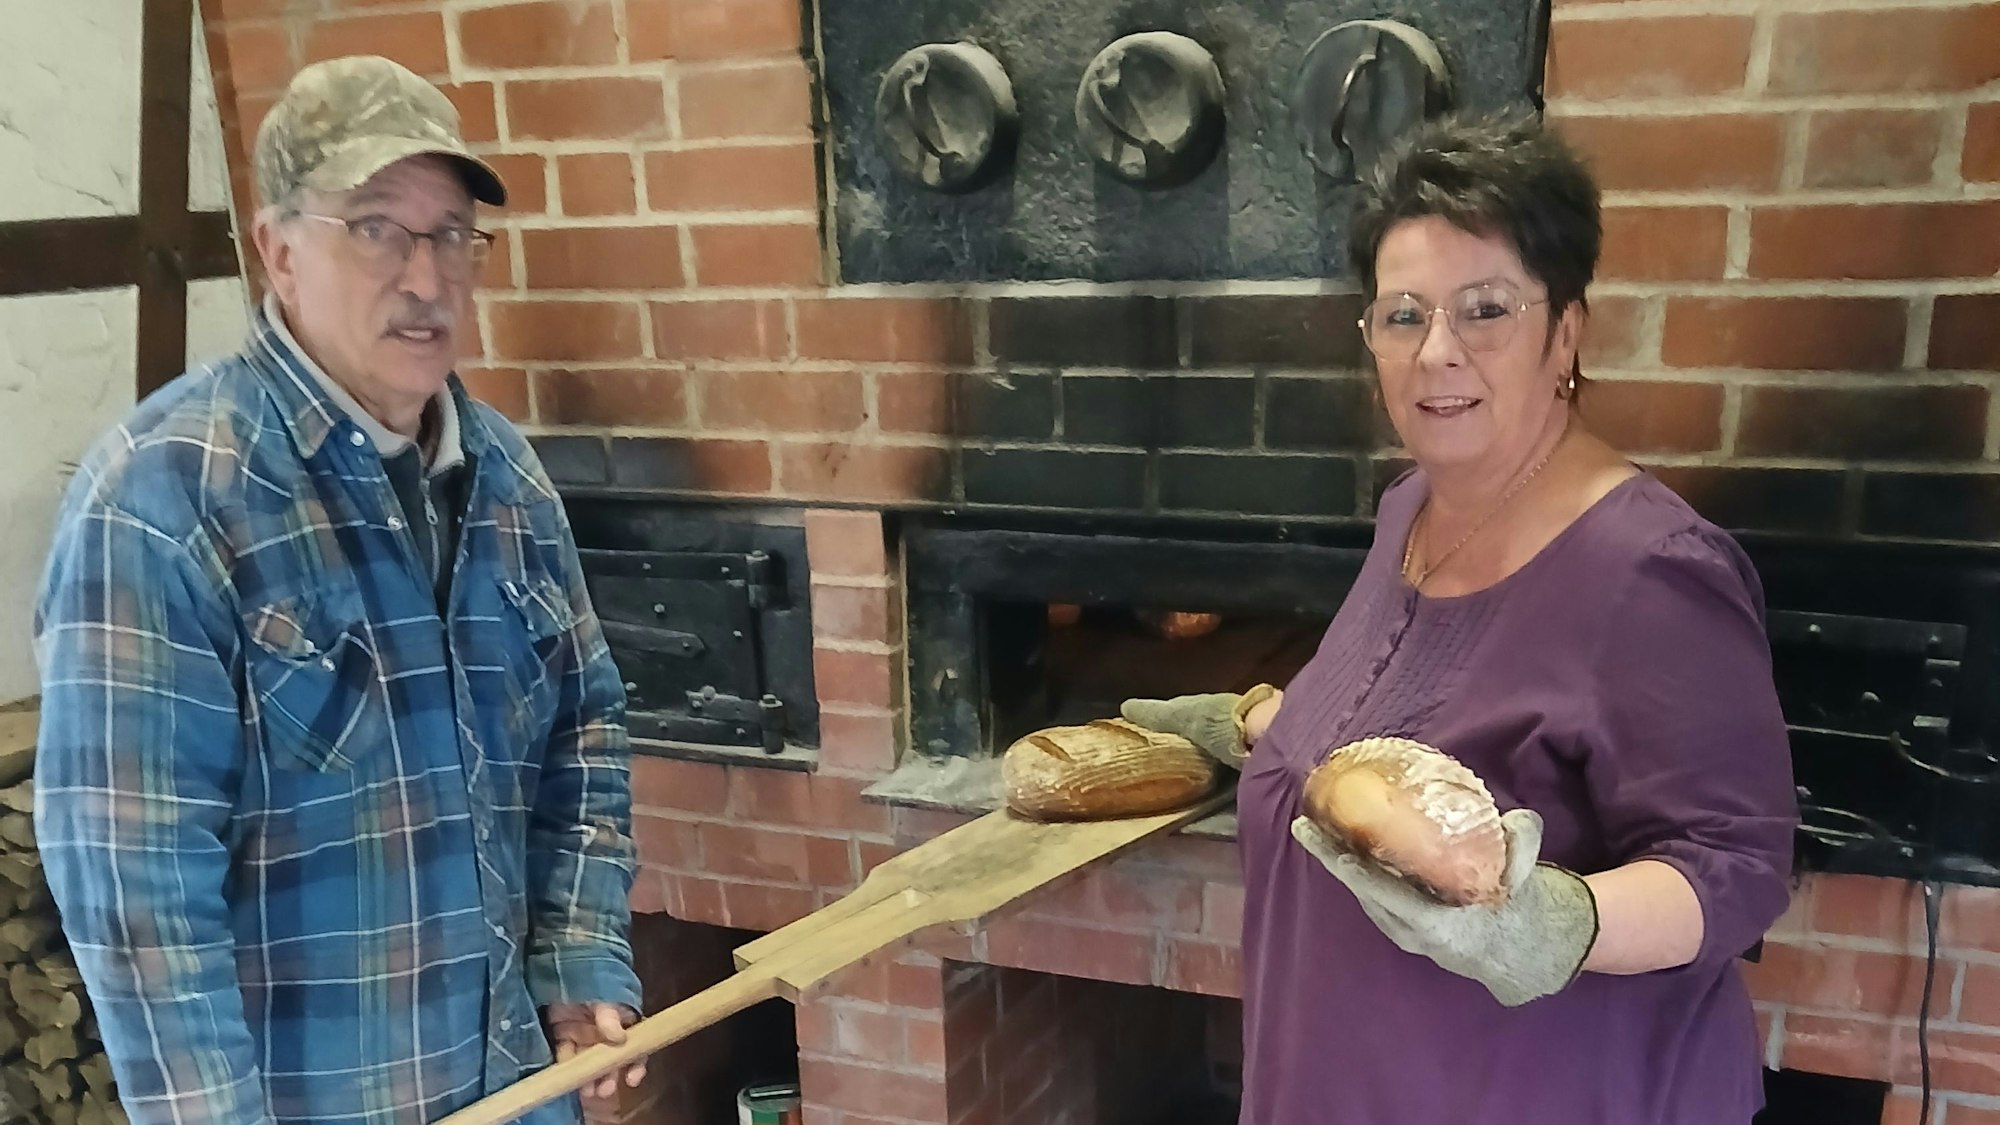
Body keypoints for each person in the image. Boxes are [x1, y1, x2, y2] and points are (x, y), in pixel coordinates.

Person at [1122, 111, 1798, 1124]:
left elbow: (1736, 868)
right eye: (1401, 314)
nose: (1435, 350)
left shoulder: (1650, 573)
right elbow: (1404, 720)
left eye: (1482, 309)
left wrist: (1550, 923)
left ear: (1563, 332)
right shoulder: (1411, 505)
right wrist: (1268, 727)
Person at [32, 56, 644, 1124]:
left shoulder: (505, 478)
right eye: (375, 228)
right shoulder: (162, 500)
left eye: (451, 233)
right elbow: (139, 900)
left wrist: (578, 950)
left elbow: (582, 732)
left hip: (516, 1094)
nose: (425, 277)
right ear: (277, 252)